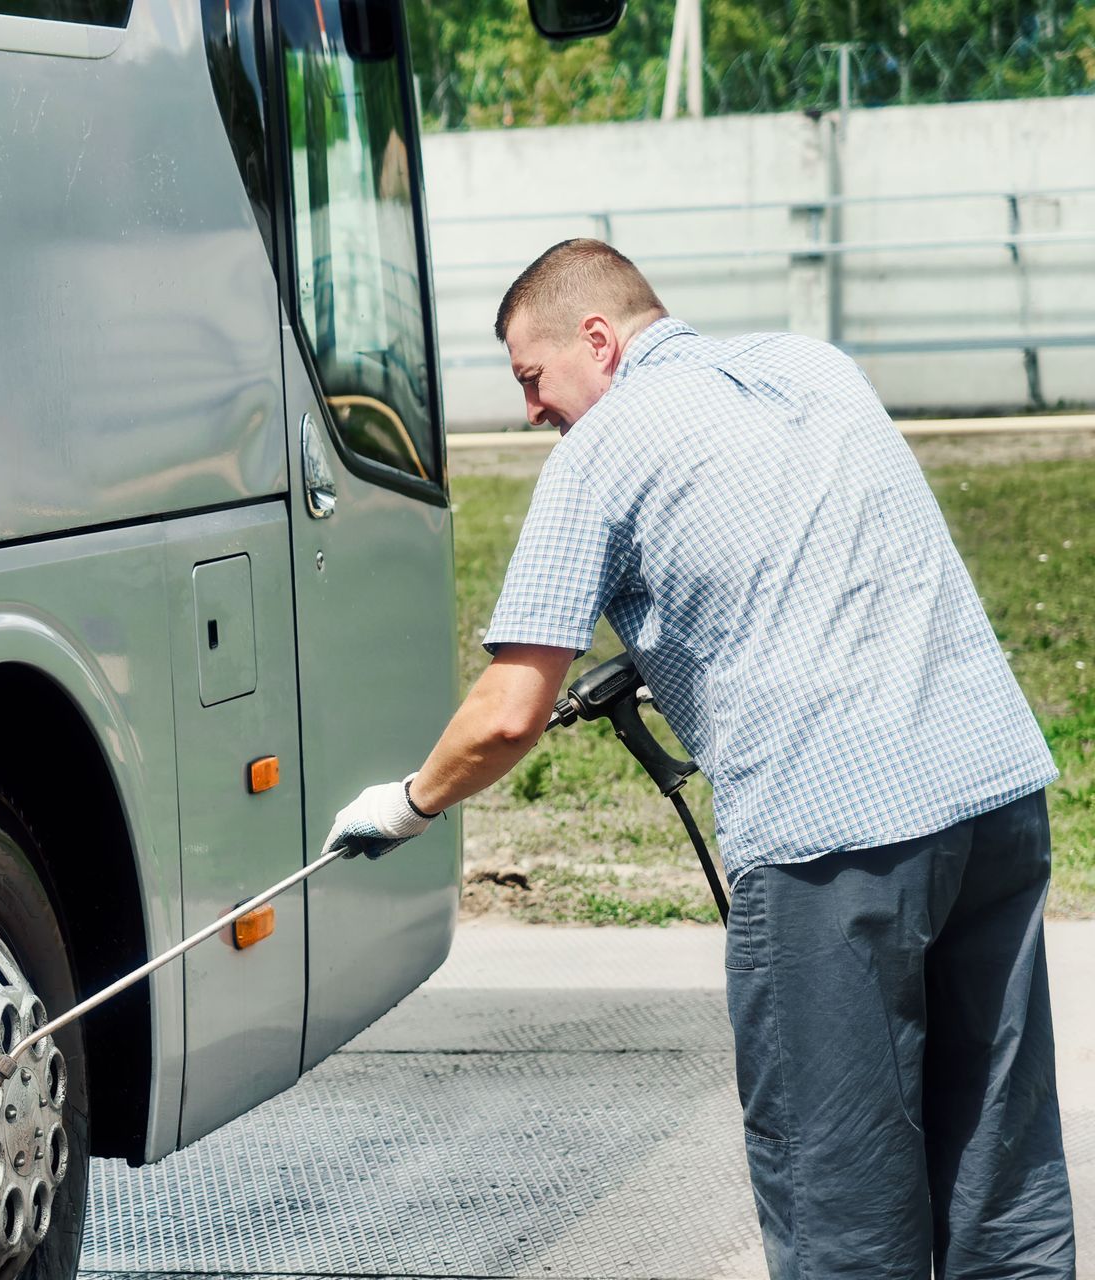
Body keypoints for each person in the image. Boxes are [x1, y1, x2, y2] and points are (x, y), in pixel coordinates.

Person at [322, 239, 1073, 1279]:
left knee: (840, 1196)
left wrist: (405, 806)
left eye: (531, 377)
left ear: (598, 337)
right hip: (989, 794)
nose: (532, 410)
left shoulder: (602, 451)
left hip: (833, 838)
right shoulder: (818, 367)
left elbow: (508, 711)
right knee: (1002, 1179)